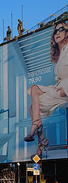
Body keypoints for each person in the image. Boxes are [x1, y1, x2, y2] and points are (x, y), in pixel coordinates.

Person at [25, 20, 68, 157]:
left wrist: (64, 90)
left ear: (67, 32)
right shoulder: (59, 54)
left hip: (64, 91)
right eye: (55, 31)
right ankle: (41, 140)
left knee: (34, 92)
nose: (57, 33)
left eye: (61, 29)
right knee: (33, 102)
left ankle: (37, 130)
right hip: (58, 88)